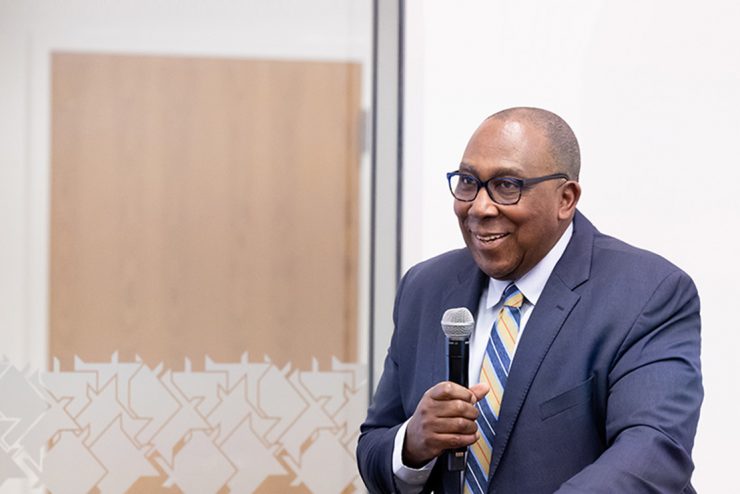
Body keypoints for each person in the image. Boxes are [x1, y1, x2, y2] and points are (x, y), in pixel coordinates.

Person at [356, 107, 702, 493]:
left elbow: (653, 453)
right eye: (468, 182)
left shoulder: (647, 292)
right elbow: (374, 447)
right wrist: (412, 444)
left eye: (507, 185)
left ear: (566, 199)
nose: (480, 207)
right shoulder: (425, 288)